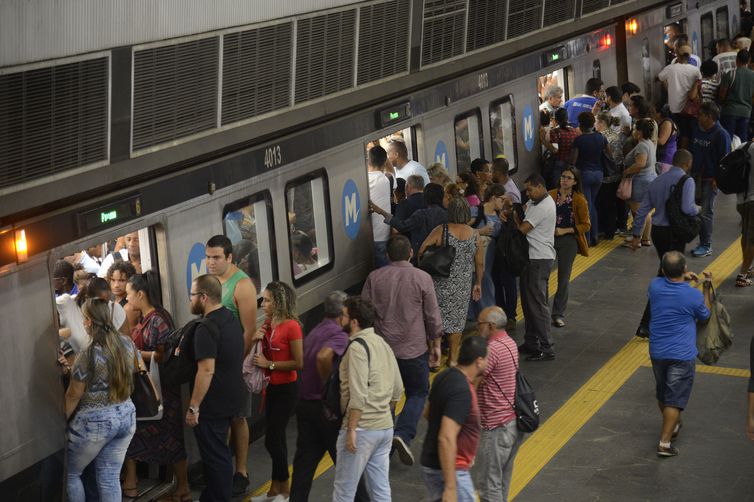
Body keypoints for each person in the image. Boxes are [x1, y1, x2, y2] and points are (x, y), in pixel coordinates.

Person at [362, 235, 443, 463]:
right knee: (418, 391)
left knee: (385, 397)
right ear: (410, 253)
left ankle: (384, 443)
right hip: (414, 349)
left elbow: (365, 314)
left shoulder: (374, 278)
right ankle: (403, 433)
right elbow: (432, 315)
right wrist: (435, 343)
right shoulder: (422, 278)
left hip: (382, 351)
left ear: (387, 255)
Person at [290, 291, 369, 502]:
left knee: (305, 462)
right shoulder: (339, 335)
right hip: (324, 408)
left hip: (304, 403)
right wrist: (328, 386)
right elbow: (324, 356)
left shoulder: (316, 330)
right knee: (348, 462)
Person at [122, 271, 189, 501]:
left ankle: (182, 487)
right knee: (163, 437)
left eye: (129, 294)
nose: (127, 299)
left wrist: (138, 354)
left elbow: (162, 356)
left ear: (141, 294)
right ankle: (178, 487)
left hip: (161, 391)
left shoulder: (157, 321)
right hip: (153, 389)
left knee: (171, 437)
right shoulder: (148, 318)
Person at [64, 298, 138, 502]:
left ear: (88, 321)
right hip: (126, 415)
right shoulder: (126, 342)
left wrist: (61, 421)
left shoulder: (86, 355)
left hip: (95, 423)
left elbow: (73, 395)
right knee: (109, 476)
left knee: (70, 473)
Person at [332, 296, 404, 502]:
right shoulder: (382, 343)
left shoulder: (356, 348)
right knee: (380, 489)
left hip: (361, 429)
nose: (339, 319)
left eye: (343, 315)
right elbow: (397, 389)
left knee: (344, 491)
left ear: (354, 322)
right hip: (384, 428)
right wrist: (384, 412)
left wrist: (352, 429)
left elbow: (358, 394)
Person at [205, 234, 258, 495]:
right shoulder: (211, 283)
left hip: (235, 363)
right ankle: (221, 469)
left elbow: (249, 330)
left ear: (229, 258)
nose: (210, 262)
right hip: (216, 362)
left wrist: (238, 362)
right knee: (221, 418)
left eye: (216, 258)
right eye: (208, 257)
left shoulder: (242, 285)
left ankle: (242, 470)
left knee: (238, 417)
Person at [186, 274, 245, 502]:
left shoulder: (205, 328)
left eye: (192, 295)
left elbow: (206, 370)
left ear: (203, 297)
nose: (190, 300)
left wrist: (194, 407)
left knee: (217, 457)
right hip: (232, 397)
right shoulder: (230, 318)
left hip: (213, 405)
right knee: (219, 454)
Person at [647, 252, 711, 457]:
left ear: (663, 270)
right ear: (684, 269)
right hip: (681, 354)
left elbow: (665, 279)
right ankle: (664, 443)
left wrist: (681, 277)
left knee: (663, 392)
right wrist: (707, 287)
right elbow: (705, 315)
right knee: (674, 399)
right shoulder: (692, 295)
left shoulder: (654, 287)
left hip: (657, 351)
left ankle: (673, 424)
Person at [631, 149, 699, 337]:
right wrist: (698, 211)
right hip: (675, 234)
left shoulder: (657, 181)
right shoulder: (687, 181)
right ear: (688, 163)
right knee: (668, 276)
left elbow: (643, 210)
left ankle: (658, 321)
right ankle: (646, 324)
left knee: (668, 274)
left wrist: (637, 235)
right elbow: (687, 208)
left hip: (658, 233)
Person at [251, 282, 303, 501]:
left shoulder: (292, 326)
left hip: (287, 388)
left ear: (279, 302)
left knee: (272, 439)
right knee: (276, 438)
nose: (263, 304)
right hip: (272, 387)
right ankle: (276, 489)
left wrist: (268, 365)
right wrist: (256, 338)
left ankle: (285, 489)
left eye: (268, 300)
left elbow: (297, 362)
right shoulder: (268, 325)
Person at [420, 336, 488, 502]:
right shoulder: (462, 391)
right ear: (479, 361)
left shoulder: (444, 376)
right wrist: (451, 487)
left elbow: (428, 413)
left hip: (431, 461)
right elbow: (446, 437)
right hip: (451, 470)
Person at [419, 197, 484, 366]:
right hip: (462, 285)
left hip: (440, 283)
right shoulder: (475, 234)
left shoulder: (442, 230)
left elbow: (422, 250)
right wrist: (478, 283)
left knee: (436, 318)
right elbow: (479, 262)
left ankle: (435, 357)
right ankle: (453, 358)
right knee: (456, 321)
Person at [474, 307, 521, 502]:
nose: (477, 329)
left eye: (480, 324)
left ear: (491, 326)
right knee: (501, 482)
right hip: (511, 423)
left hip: (495, 427)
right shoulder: (509, 342)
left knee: (488, 486)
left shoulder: (491, 350)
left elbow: (472, 381)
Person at [515, 174, 557, 361]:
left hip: (538, 260)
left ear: (540, 186)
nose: (528, 193)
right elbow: (523, 210)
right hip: (531, 258)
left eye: (530, 189)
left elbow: (522, 229)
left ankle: (546, 347)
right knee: (528, 302)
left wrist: (513, 220)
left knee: (537, 304)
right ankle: (531, 341)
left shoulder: (544, 206)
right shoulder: (534, 202)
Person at [549, 167, 590, 328]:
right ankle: (543, 311)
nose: (564, 180)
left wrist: (565, 230)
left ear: (575, 182)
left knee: (563, 278)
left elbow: (586, 225)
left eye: (568, 178)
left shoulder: (579, 200)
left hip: (568, 241)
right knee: (544, 275)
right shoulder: (550, 195)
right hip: (549, 240)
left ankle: (558, 313)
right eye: (563, 177)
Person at [689, 102, 732, 257]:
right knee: (697, 211)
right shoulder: (698, 130)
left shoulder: (721, 135)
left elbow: (725, 161)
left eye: (700, 114)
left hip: (710, 179)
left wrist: (717, 179)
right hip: (696, 177)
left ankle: (706, 245)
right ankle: (701, 241)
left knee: (706, 212)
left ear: (709, 116)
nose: (697, 117)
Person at [370, 183, 448, 262]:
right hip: (443, 257)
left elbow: (402, 226)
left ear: (426, 197)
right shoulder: (448, 214)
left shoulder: (421, 214)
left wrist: (382, 212)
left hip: (423, 257)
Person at [469, 183, 507, 319]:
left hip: (492, 256)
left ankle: (483, 314)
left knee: (485, 281)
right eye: (501, 199)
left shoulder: (500, 216)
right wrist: (480, 231)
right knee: (481, 280)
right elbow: (461, 230)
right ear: (493, 198)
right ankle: (487, 314)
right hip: (477, 254)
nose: (503, 203)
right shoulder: (476, 212)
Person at [570, 112, 606, 246]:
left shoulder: (579, 140)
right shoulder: (600, 137)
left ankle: (588, 237)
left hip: (584, 174)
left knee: (587, 205)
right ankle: (595, 235)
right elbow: (608, 153)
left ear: (580, 125)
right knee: (592, 204)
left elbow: (573, 161)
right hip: (599, 174)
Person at [621, 119, 658, 248]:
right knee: (646, 210)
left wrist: (626, 172)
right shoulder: (650, 143)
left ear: (640, 132)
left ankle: (637, 238)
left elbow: (640, 164)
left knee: (638, 211)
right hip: (650, 178)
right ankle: (646, 239)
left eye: (636, 129)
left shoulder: (642, 145)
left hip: (641, 181)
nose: (634, 131)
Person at [658, 45, 702, 146]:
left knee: (675, 133)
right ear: (689, 56)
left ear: (677, 55)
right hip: (689, 109)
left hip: (674, 108)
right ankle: (684, 153)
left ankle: (676, 152)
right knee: (686, 133)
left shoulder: (670, 68)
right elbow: (699, 85)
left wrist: (668, 88)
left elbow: (660, 78)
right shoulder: (695, 70)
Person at [595, 112, 624, 240]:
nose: (595, 124)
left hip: (605, 176)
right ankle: (612, 229)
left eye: (596, 121)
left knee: (603, 204)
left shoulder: (600, 137)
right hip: (616, 175)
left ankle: (605, 230)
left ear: (601, 123)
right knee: (612, 204)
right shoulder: (615, 135)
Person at [719, 50, 754, 142]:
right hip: (746, 113)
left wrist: (723, 104)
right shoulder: (753, 75)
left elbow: (722, 95)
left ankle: (728, 156)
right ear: (749, 60)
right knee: (742, 141)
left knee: (728, 140)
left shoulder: (730, 74)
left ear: (736, 60)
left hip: (729, 112)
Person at [542, 108, 580, 189]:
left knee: (556, 186)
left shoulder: (555, 131)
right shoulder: (574, 131)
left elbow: (555, 150)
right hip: (570, 163)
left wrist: (543, 140)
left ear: (555, 120)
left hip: (559, 162)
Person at [368, 145, 392, 268]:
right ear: (384, 162)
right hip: (383, 234)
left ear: (368, 161)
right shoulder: (386, 180)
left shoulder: (365, 180)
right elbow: (391, 172)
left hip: (369, 235)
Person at [735, 143, 754, 287]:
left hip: (741, 199)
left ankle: (746, 268)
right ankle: (742, 274)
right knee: (752, 239)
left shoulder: (744, 146)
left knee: (746, 235)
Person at [107, 260, 139, 334]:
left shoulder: (129, 308)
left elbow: (130, 338)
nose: (116, 285)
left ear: (130, 281)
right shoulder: (112, 301)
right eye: (113, 280)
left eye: (121, 280)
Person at [655, 105, 679, 173]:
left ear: (659, 113)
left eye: (654, 112)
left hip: (666, 158)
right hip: (661, 157)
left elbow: (661, 141)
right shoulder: (660, 122)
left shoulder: (667, 123)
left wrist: (647, 137)